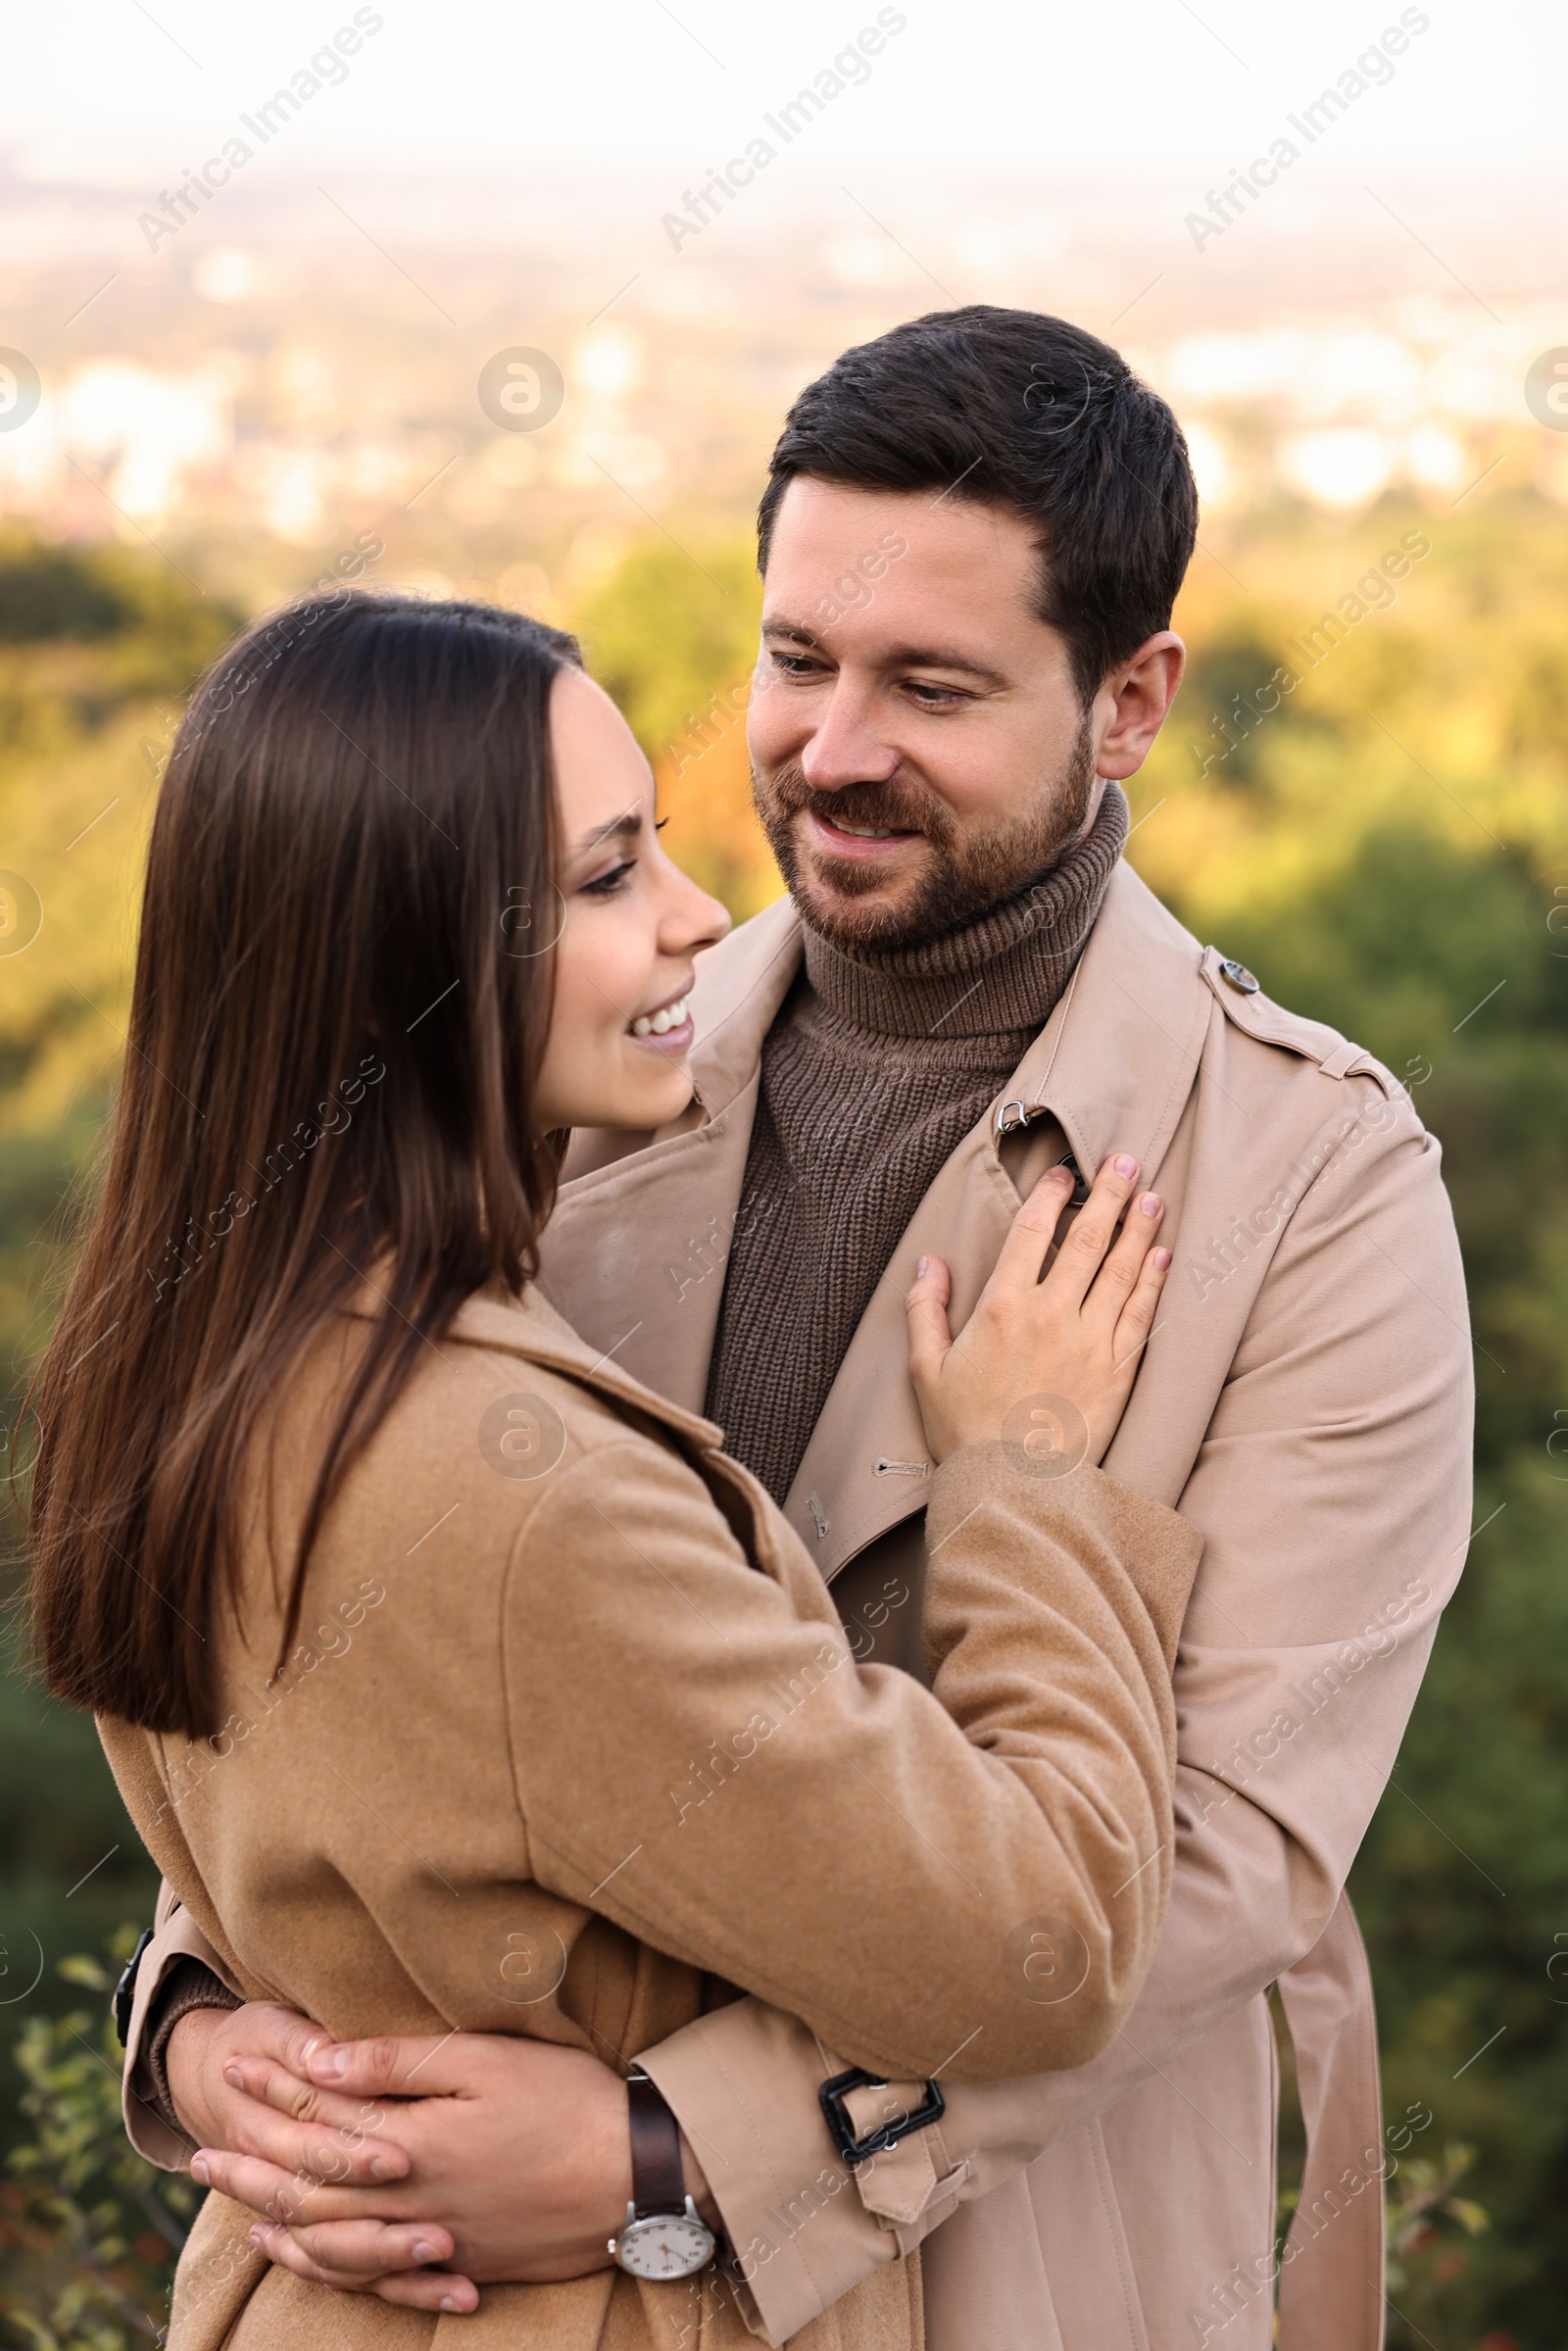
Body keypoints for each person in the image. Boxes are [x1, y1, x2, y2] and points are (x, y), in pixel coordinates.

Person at [117, 310, 1473, 2351]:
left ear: (1129, 703)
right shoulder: (549, 1050)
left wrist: (676, 2153)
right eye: (792, 662)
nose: (830, 750)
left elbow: (1224, 1870)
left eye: (929, 685)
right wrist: (212, 2022)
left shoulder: (1319, 1186)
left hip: (1020, 2279)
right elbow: (340, 1619)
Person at [28, 587, 1202, 2349]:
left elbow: (308, 1859)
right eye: (601, 881)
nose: (696, 914)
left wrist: (191, 2025)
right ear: (403, 956)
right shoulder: (518, 1500)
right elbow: (1040, 1948)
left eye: (653, 849)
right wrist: (1025, 1484)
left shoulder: (198, 1357)